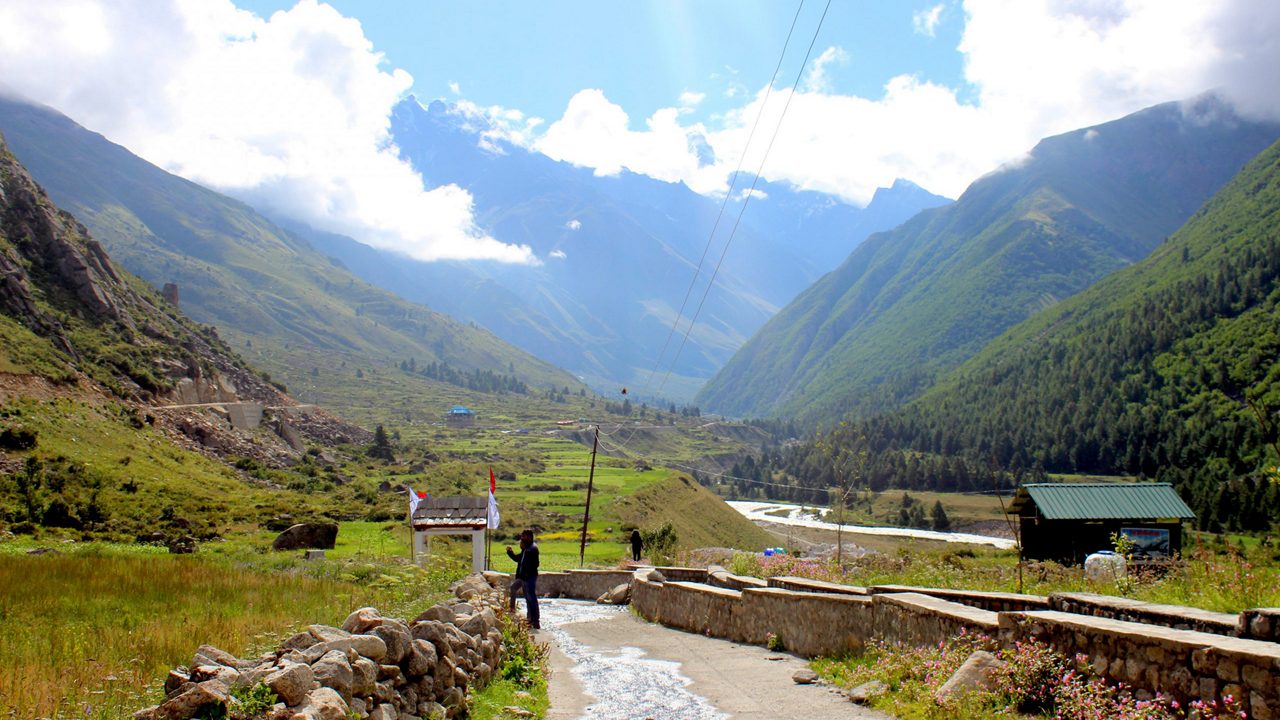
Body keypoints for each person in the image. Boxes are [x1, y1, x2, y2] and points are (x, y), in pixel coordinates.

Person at [506, 529, 540, 629]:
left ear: (529, 537)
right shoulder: (527, 549)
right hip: (525, 577)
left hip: (529, 577)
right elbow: (519, 560)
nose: (522, 538)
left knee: (531, 599)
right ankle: (531, 620)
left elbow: (536, 564)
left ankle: (535, 621)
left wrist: (527, 573)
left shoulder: (532, 549)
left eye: (523, 536)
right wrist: (510, 553)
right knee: (529, 599)